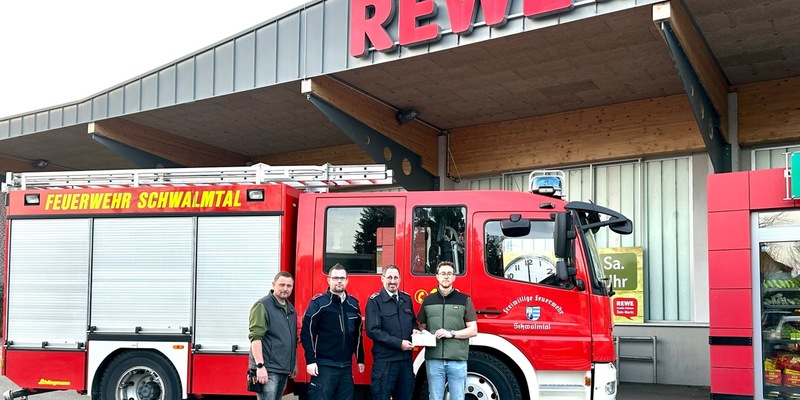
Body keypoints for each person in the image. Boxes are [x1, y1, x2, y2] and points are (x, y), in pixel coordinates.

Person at [300, 263, 365, 400]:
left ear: (347, 280)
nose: (339, 281)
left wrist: (360, 359)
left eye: (342, 278)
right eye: (335, 278)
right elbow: (307, 333)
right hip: (324, 366)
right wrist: (311, 361)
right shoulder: (318, 304)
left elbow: (358, 334)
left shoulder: (353, 305)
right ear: (328, 280)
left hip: (346, 367)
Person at [417, 260, 478, 400]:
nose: (446, 276)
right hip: (434, 359)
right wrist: (420, 333)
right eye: (443, 273)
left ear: (454, 277)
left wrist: (451, 333)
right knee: (435, 397)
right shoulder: (428, 301)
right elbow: (422, 327)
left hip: (457, 360)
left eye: (449, 274)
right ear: (437, 276)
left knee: (457, 397)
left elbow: (473, 330)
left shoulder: (464, 300)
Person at [365, 265, 419, 400]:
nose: (392, 281)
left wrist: (415, 331)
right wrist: (399, 343)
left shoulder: (406, 299)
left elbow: (412, 322)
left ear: (400, 279)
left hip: (405, 362)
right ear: (382, 279)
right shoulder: (375, 301)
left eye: (395, 277)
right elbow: (373, 331)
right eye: (389, 277)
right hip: (385, 362)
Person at [248, 271, 298, 400]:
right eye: (282, 285)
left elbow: (292, 339)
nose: (285, 289)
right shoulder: (262, 306)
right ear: (273, 284)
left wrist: (294, 364)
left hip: (282, 369)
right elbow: (256, 338)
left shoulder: (290, 309)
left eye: (289, 286)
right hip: (268, 369)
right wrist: (260, 366)